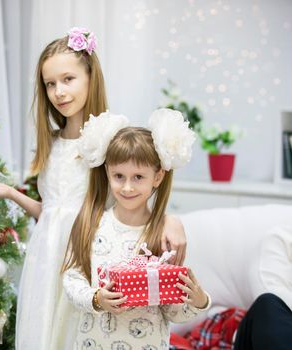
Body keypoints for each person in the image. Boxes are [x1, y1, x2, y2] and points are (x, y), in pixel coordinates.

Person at [0, 28, 187, 349]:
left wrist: (170, 218)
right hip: (46, 256)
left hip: (87, 252)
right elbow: (52, 212)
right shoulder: (51, 142)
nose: (59, 91)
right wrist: (12, 193)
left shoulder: (110, 138)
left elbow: (138, 184)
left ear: (90, 77)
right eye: (50, 84)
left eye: (68, 79)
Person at [62, 108, 211, 349]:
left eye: (138, 177)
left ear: (158, 177)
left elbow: (172, 310)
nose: (127, 187)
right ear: (107, 173)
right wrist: (97, 298)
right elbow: (72, 279)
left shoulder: (164, 236)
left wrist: (199, 301)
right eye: (119, 176)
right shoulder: (91, 224)